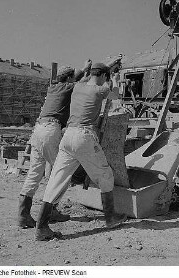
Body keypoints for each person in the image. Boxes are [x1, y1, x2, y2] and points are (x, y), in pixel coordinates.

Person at [35, 59, 127, 241]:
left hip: (67, 137)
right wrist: (115, 79)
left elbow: (85, 78)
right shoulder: (100, 89)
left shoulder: (77, 86)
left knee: (56, 180)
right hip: (84, 138)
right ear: (101, 76)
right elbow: (115, 95)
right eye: (104, 77)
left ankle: (41, 226)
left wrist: (107, 67)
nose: (103, 80)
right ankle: (110, 217)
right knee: (106, 175)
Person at [17, 60, 92, 229]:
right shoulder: (69, 88)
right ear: (69, 78)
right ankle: (51, 212)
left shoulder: (54, 87)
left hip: (38, 130)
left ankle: (23, 216)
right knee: (61, 173)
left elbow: (77, 78)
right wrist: (90, 70)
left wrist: (84, 69)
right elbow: (81, 83)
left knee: (34, 173)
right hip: (51, 130)